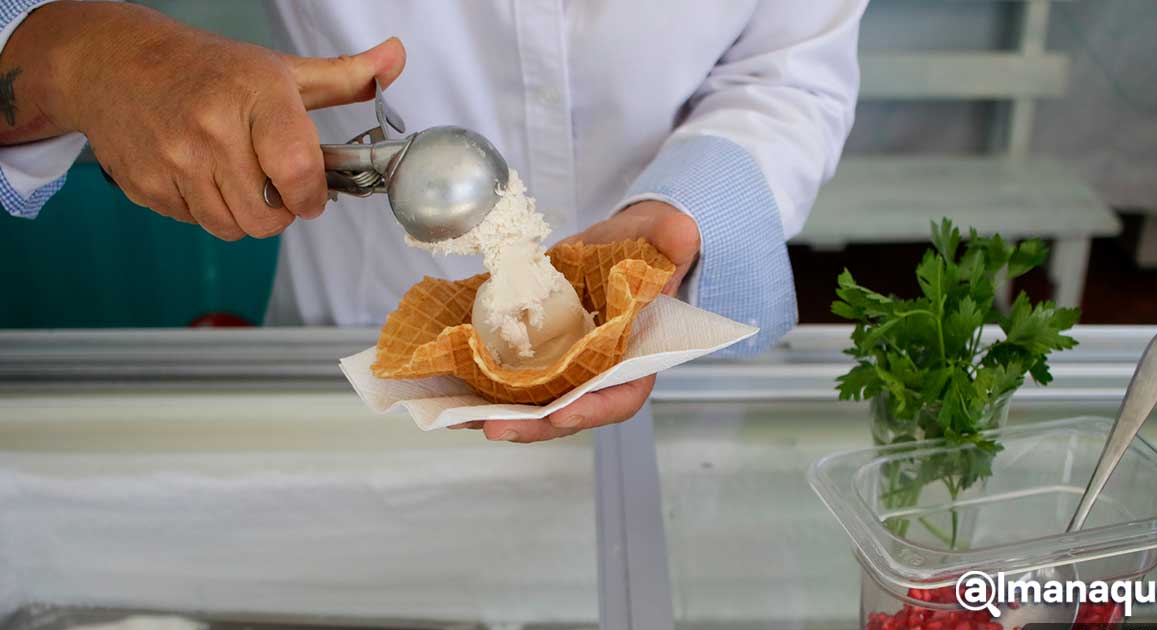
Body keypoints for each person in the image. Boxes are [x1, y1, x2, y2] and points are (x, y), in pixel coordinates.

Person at [0, 0, 865, 442]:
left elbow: (789, 70)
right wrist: (84, 51)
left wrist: (681, 213)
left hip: (680, 360)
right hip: (360, 375)